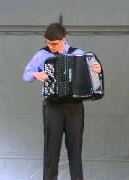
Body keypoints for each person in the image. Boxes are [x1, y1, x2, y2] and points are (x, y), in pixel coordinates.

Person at [23, 23, 102, 180]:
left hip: (75, 107)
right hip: (53, 106)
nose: (50, 47)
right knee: (51, 150)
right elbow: (26, 74)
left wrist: (98, 69)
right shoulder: (42, 55)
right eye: (48, 43)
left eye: (54, 43)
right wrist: (36, 75)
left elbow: (94, 75)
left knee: (75, 150)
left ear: (63, 40)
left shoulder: (78, 54)